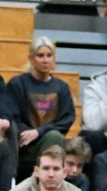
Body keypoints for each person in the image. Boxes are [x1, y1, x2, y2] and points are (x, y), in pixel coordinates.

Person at [7, 37, 75, 181]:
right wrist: (27, 133)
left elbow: (67, 120)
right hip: (24, 147)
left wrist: (38, 132)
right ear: (31, 59)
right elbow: (12, 116)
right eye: (40, 55)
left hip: (52, 144)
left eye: (49, 55)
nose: (45, 60)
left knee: (55, 136)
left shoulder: (61, 87)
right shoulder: (17, 84)